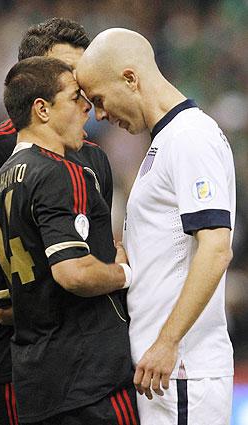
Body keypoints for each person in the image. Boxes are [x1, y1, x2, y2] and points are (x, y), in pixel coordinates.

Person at [0, 18, 114, 424]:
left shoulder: (93, 158)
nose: (81, 91)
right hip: (7, 357)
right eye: (67, 75)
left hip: (82, 365)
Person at [76, 28, 235, 425]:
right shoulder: (165, 143)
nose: (99, 115)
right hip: (164, 371)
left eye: (99, 99)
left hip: (182, 371)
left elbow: (216, 248)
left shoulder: (190, 137)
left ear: (130, 78)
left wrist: (168, 343)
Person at [0, 56, 139, 425]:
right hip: (93, 382)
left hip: (36, 390)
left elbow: (4, 309)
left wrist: (45, 301)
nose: (87, 108)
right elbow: (74, 273)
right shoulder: (59, 172)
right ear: (42, 110)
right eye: (74, 98)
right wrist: (126, 273)